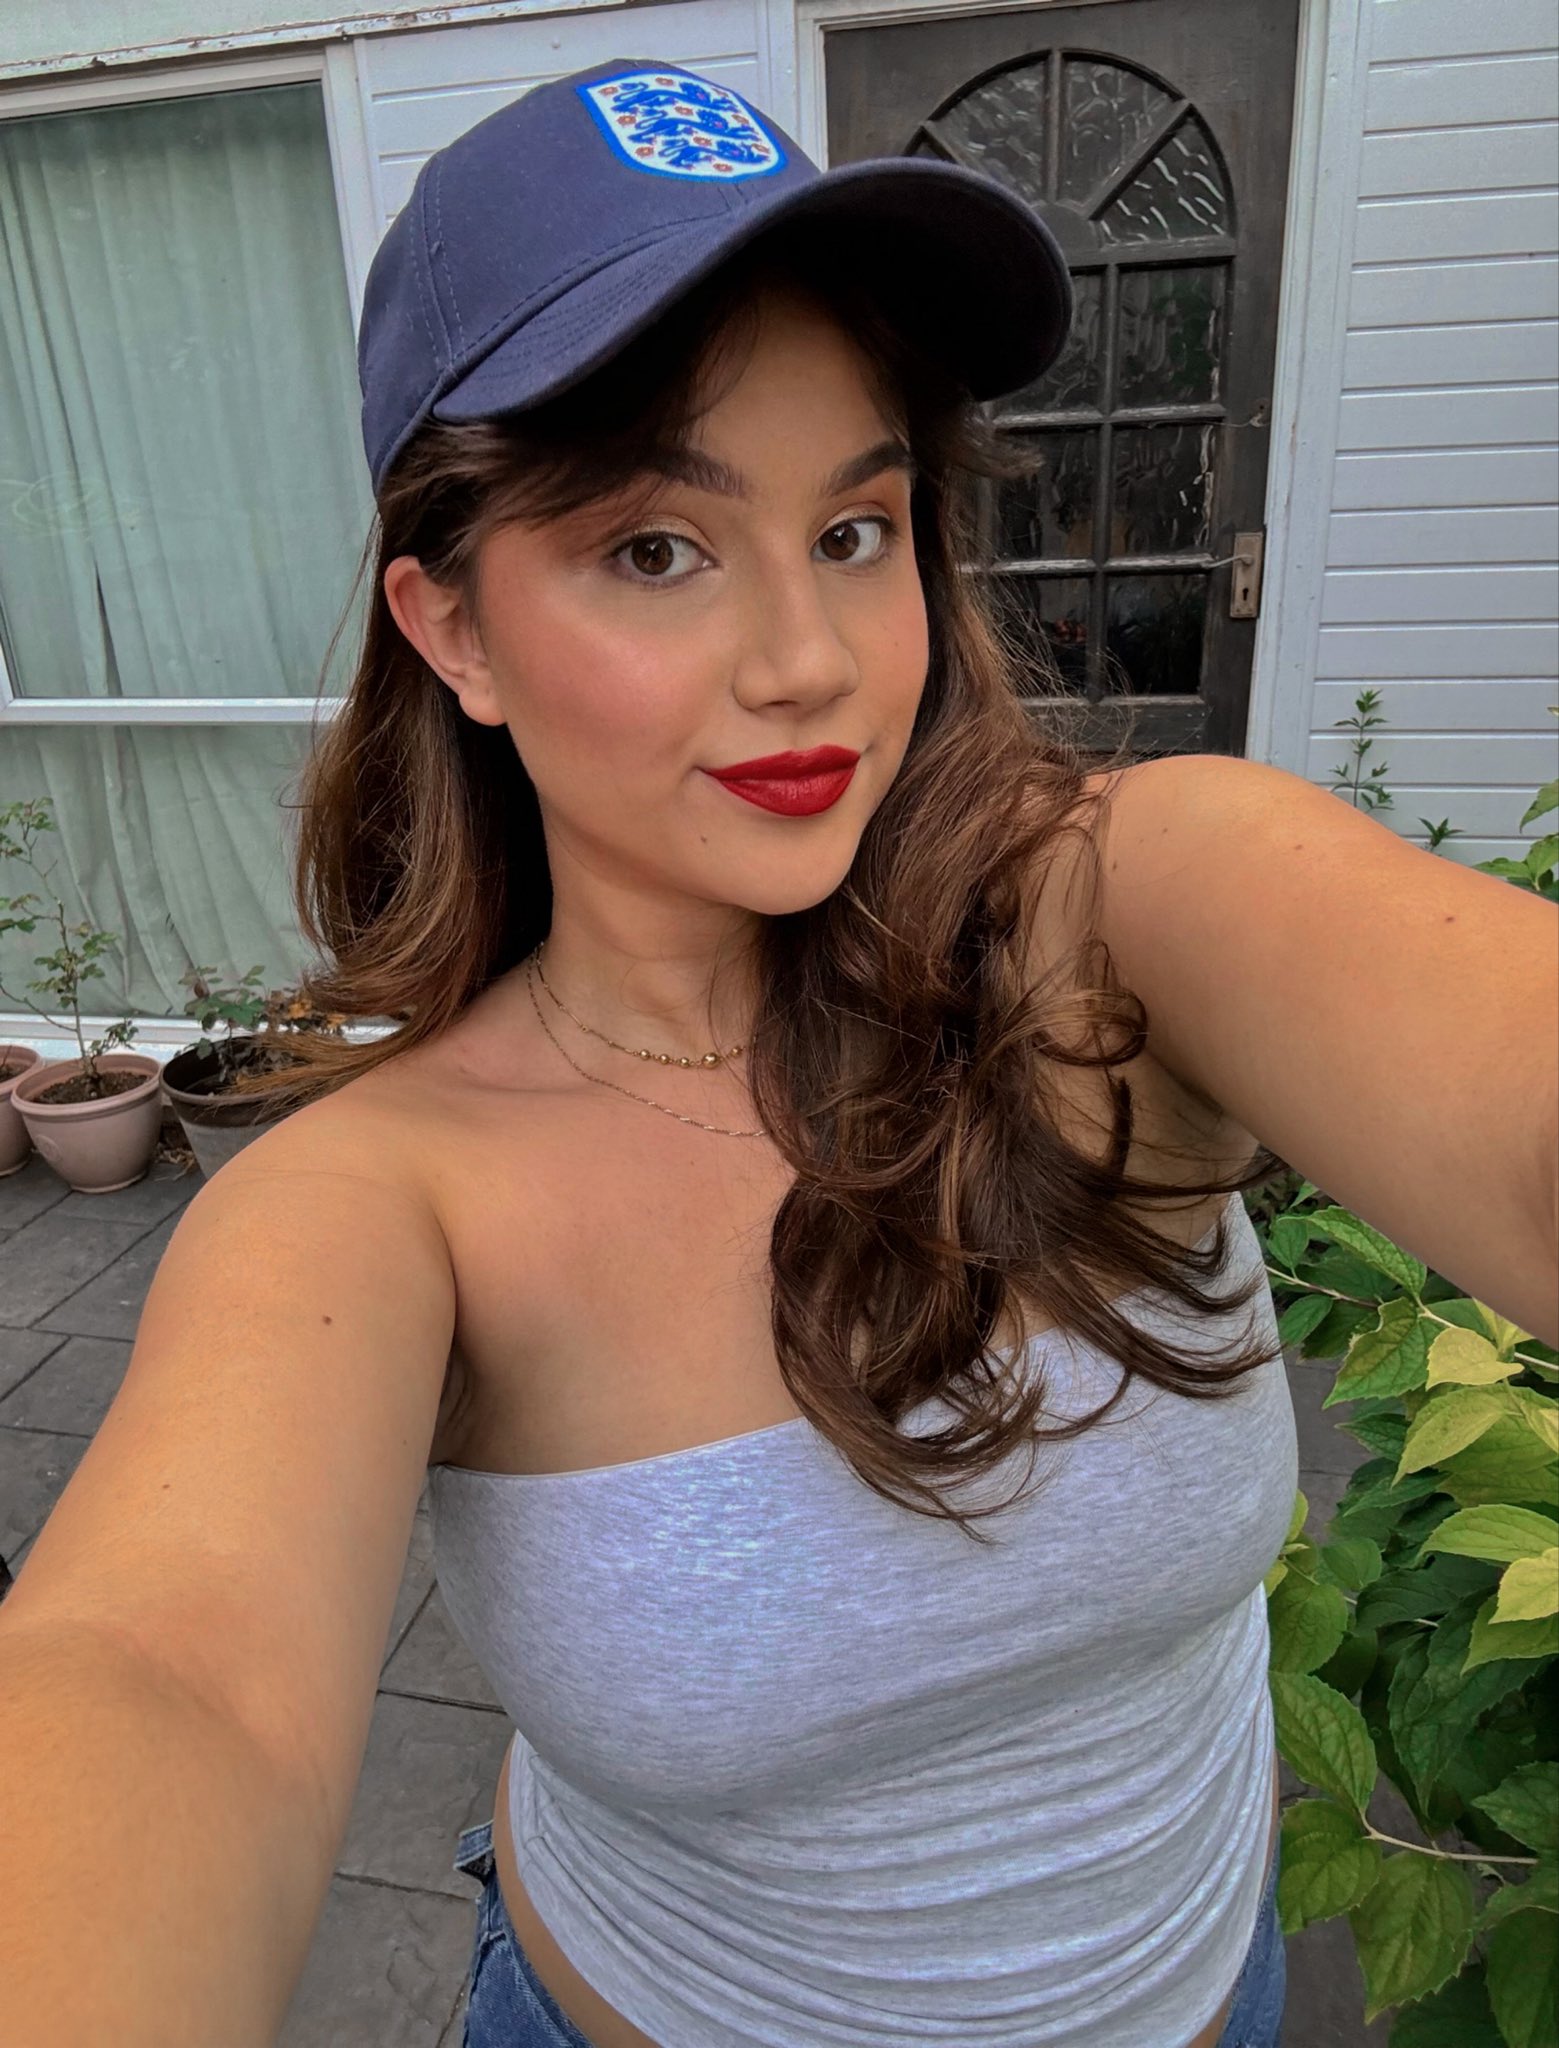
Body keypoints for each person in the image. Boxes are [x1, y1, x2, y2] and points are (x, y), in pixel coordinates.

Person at [2, 55, 1555, 2048]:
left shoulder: (1116, 931)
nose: (810, 659)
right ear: (453, 628)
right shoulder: (384, 1202)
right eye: (656, 547)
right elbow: (171, 1673)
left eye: (855, 526)